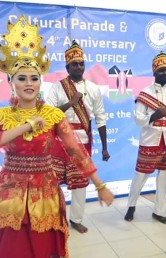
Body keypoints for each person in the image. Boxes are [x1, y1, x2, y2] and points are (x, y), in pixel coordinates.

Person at [0, 15, 113, 258]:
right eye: (22, 78)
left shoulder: (53, 115)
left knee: (41, 247)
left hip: (44, 191)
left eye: (34, 78)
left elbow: (76, 150)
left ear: (40, 82)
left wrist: (99, 185)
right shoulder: (1, 114)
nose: (29, 83)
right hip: (10, 190)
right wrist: (24, 126)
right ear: (11, 82)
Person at [46, 40, 110, 234]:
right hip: (59, 141)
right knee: (54, 183)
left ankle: (76, 219)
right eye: (74, 64)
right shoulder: (57, 88)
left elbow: (100, 117)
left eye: (81, 63)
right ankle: (54, 219)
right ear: (67, 67)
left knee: (80, 183)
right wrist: (71, 103)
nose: (79, 67)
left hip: (82, 141)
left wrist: (105, 147)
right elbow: (49, 114)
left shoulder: (93, 88)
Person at [124, 51, 166, 224]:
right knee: (141, 175)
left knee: (165, 176)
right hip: (150, 139)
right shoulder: (145, 93)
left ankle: (159, 211)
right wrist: (154, 116)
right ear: (154, 72)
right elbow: (138, 119)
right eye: (161, 70)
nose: (164, 73)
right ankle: (131, 205)